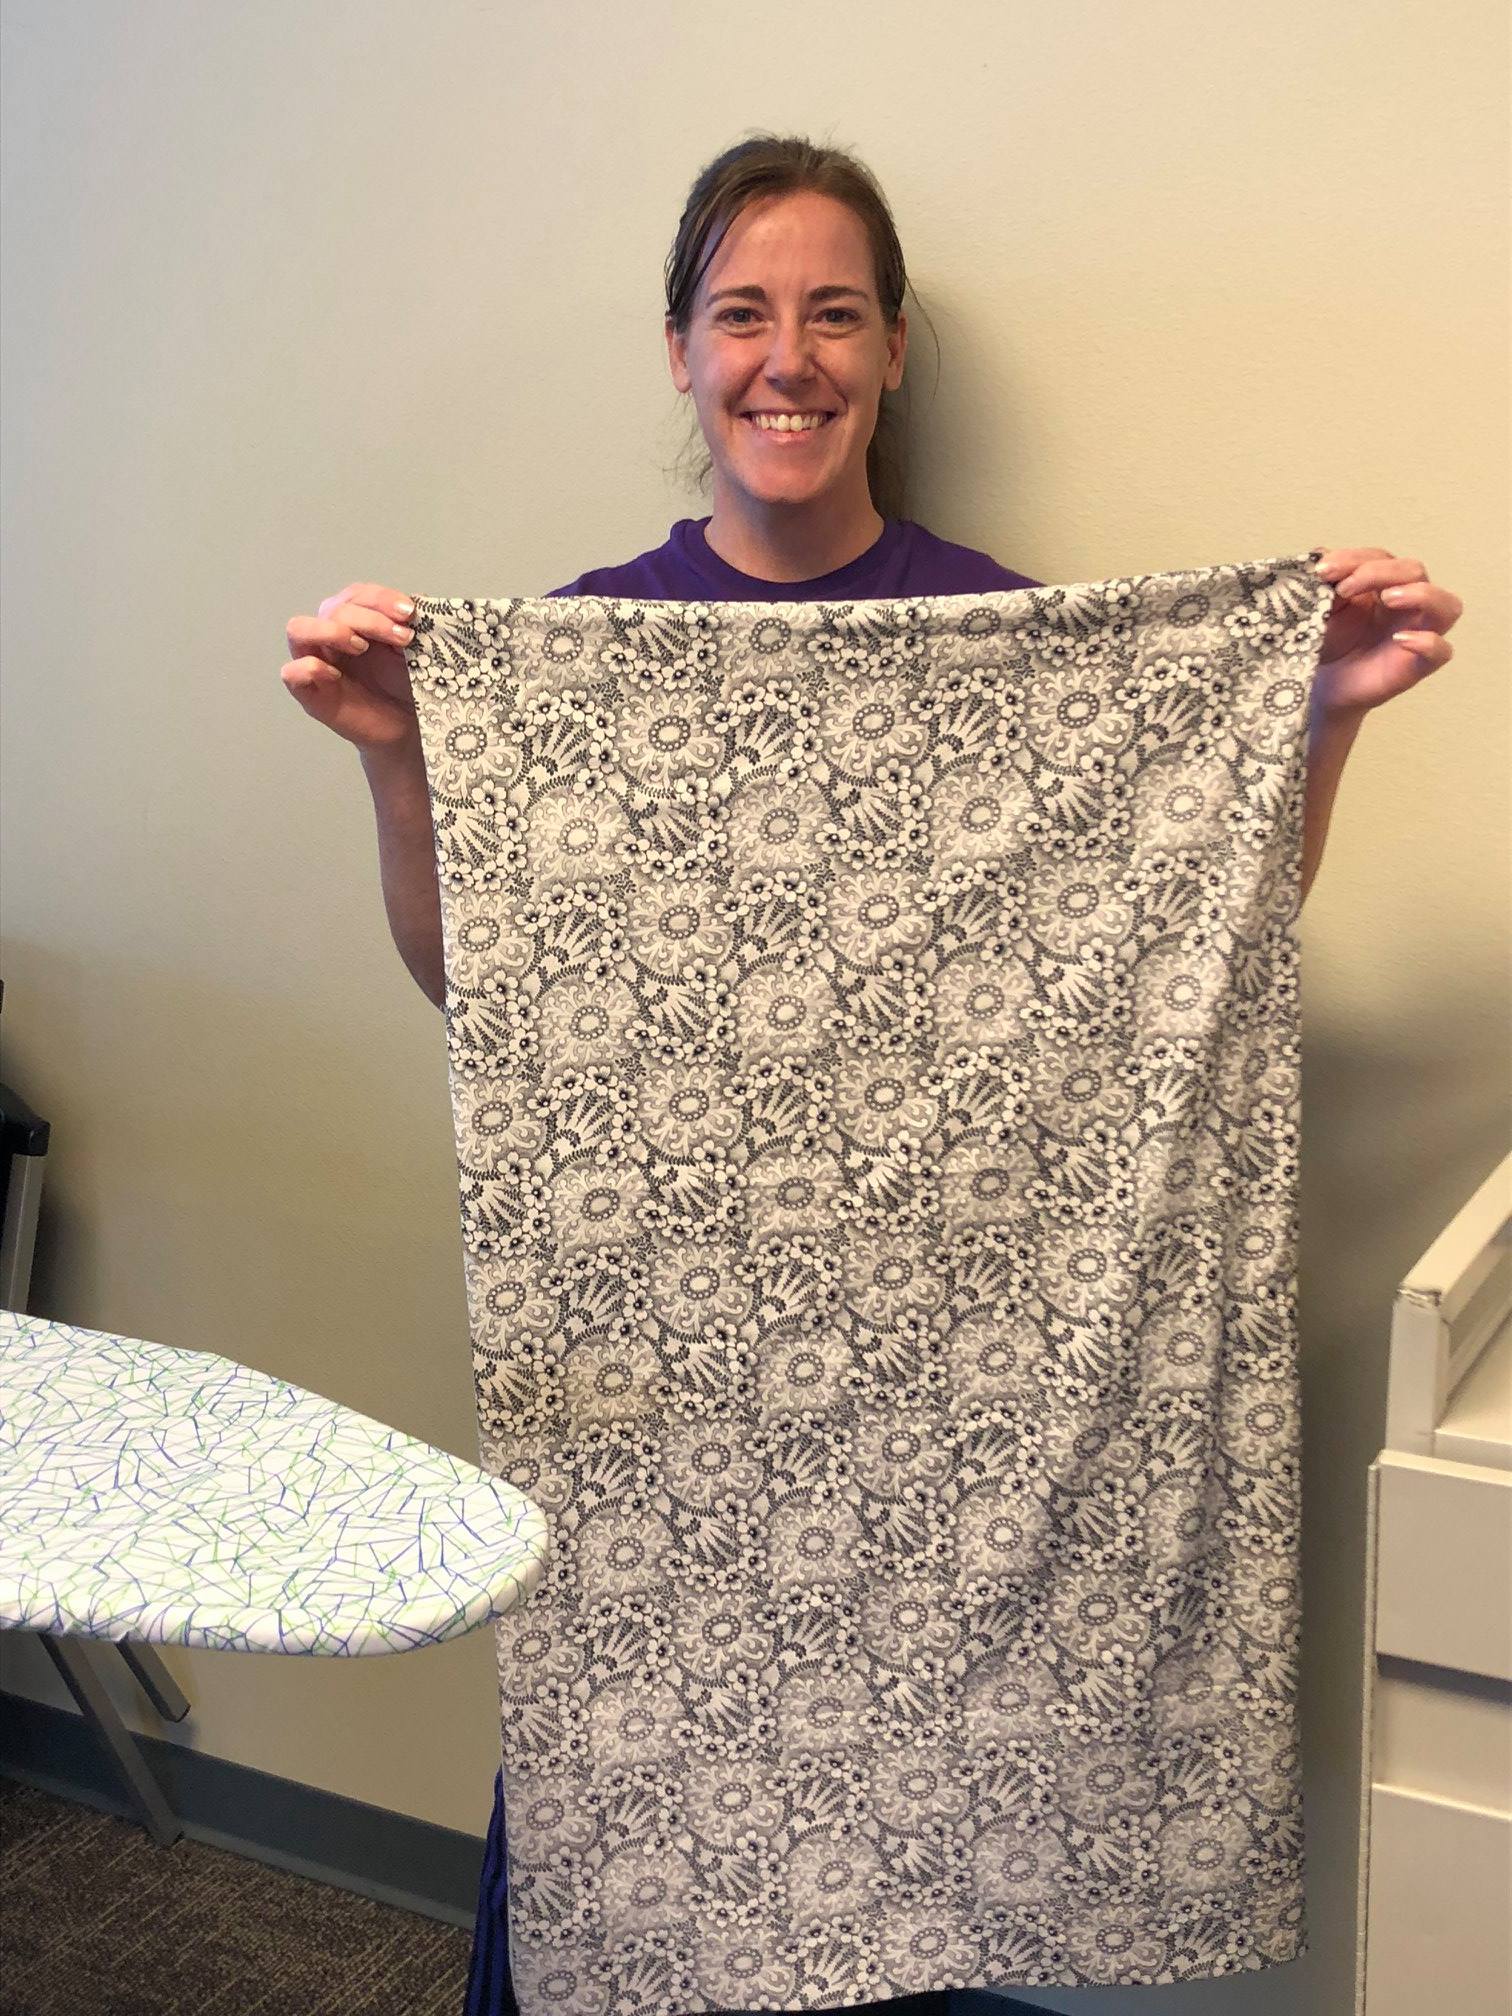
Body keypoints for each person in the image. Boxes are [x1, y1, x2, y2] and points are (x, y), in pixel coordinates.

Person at [281, 132, 1463, 2016]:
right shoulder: (587, 657)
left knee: (925, 1843)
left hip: (948, 1392)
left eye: (835, 314)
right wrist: (399, 761)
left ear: (894, 351)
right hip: (676, 1387)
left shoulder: (1006, 644)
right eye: (743, 313)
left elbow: (1180, 959)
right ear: (681, 350)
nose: (790, 358)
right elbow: (479, 991)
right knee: (620, 1825)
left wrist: (1305, 720)